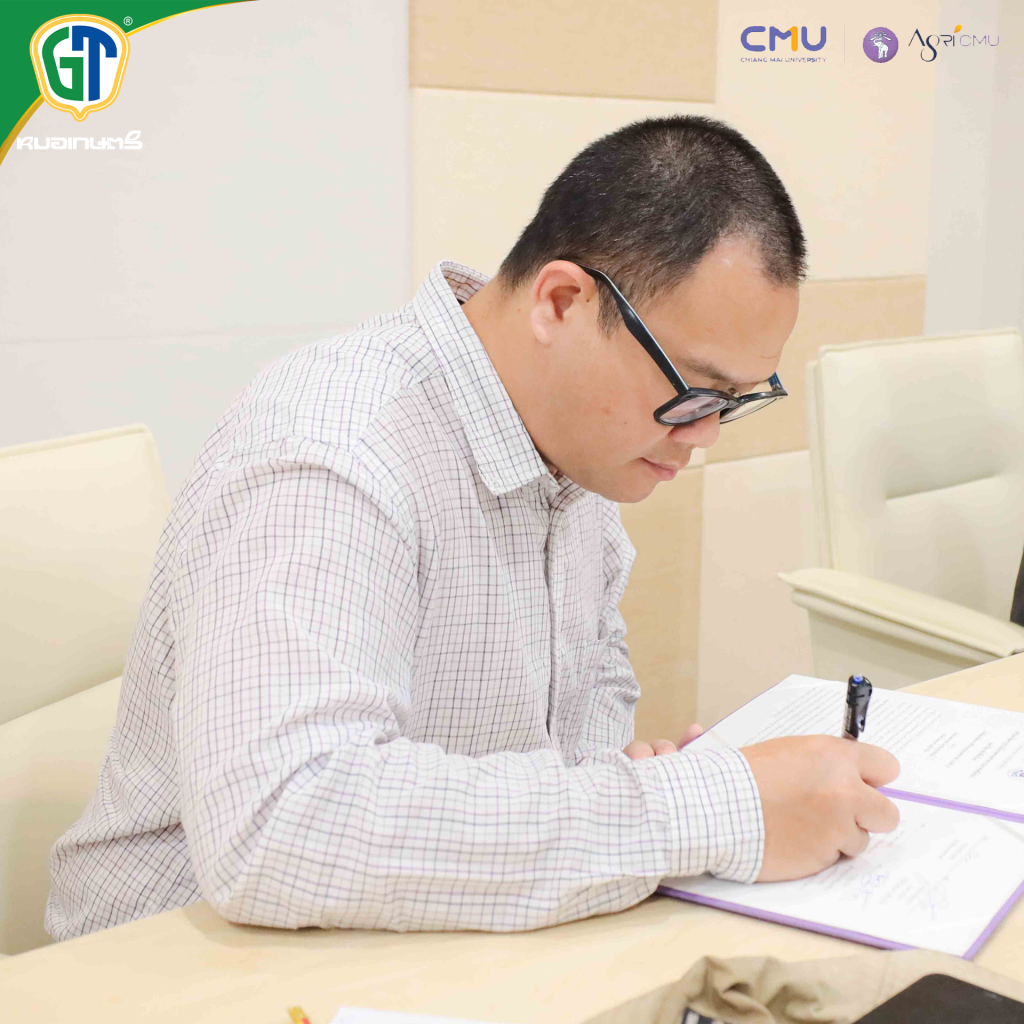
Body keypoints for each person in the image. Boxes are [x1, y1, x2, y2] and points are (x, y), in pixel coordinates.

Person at [46, 115, 900, 940]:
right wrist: (702, 809)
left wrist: (627, 792)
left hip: (417, 942)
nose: (705, 433)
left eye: (735, 400)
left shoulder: (581, 445)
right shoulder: (335, 448)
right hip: (173, 965)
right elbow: (280, 822)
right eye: (693, 389)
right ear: (561, 301)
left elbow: (590, 708)